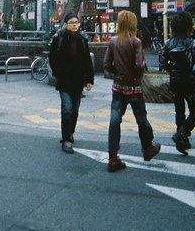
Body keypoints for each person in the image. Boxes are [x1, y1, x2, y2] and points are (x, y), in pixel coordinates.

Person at [103, 10, 161, 171]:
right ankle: (148, 148)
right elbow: (140, 65)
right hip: (134, 88)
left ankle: (113, 158)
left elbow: (106, 64)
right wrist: (135, 76)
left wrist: (119, 74)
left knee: (114, 122)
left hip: (118, 87)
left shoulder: (113, 41)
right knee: (141, 119)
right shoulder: (135, 42)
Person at [49, 12, 94, 155]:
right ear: (66, 24)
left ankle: (70, 132)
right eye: (72, 22)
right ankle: (66, 139)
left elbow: (87, 61)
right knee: (67, 109)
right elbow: (52, 58)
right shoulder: (60, 38)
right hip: (64, 81)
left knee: (74, 110)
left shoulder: (82, 40)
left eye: (76, 22)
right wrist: (58, 74)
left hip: (77, 81)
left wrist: (89, 80)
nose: (75, 25)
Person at [159, 12, 195, 156]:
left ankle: (181, 140)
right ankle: (182, 134)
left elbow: (163, 62)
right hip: (189, 81)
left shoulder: (168, 43)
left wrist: (173, 70)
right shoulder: (191, 43)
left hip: (175, 81)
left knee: (179, 110)